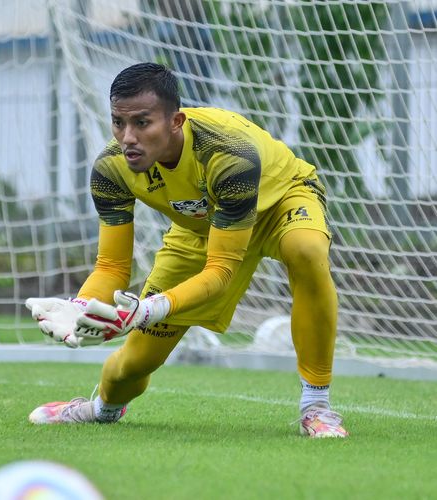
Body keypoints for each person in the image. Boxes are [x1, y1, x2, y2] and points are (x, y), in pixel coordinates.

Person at [25, 62, 348, 438]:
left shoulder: (228, 156)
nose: (127, 137)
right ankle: (100, 408)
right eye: (118, 122)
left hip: (280, 202)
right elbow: (112, 266)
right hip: (201, 231)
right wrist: (79, 307)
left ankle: (316, 406)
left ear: (176, 121)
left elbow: (221, 273)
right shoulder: (111, 170)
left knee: (305, 249)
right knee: (135, 362)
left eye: (142, 123)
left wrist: (146, 309)